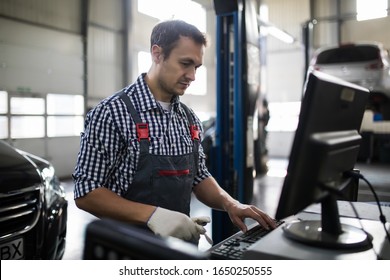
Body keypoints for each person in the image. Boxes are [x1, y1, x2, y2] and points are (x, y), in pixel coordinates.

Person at [73, 19, 276, 245]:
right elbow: (87, 192)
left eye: (196, 67)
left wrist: (230, 204)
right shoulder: (111, 113)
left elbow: (198, 176)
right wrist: (153, 216)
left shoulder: (188, 119)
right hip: (128, 250)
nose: (192, 76)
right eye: (185, 63)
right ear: (157, 54)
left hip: (178, 248)